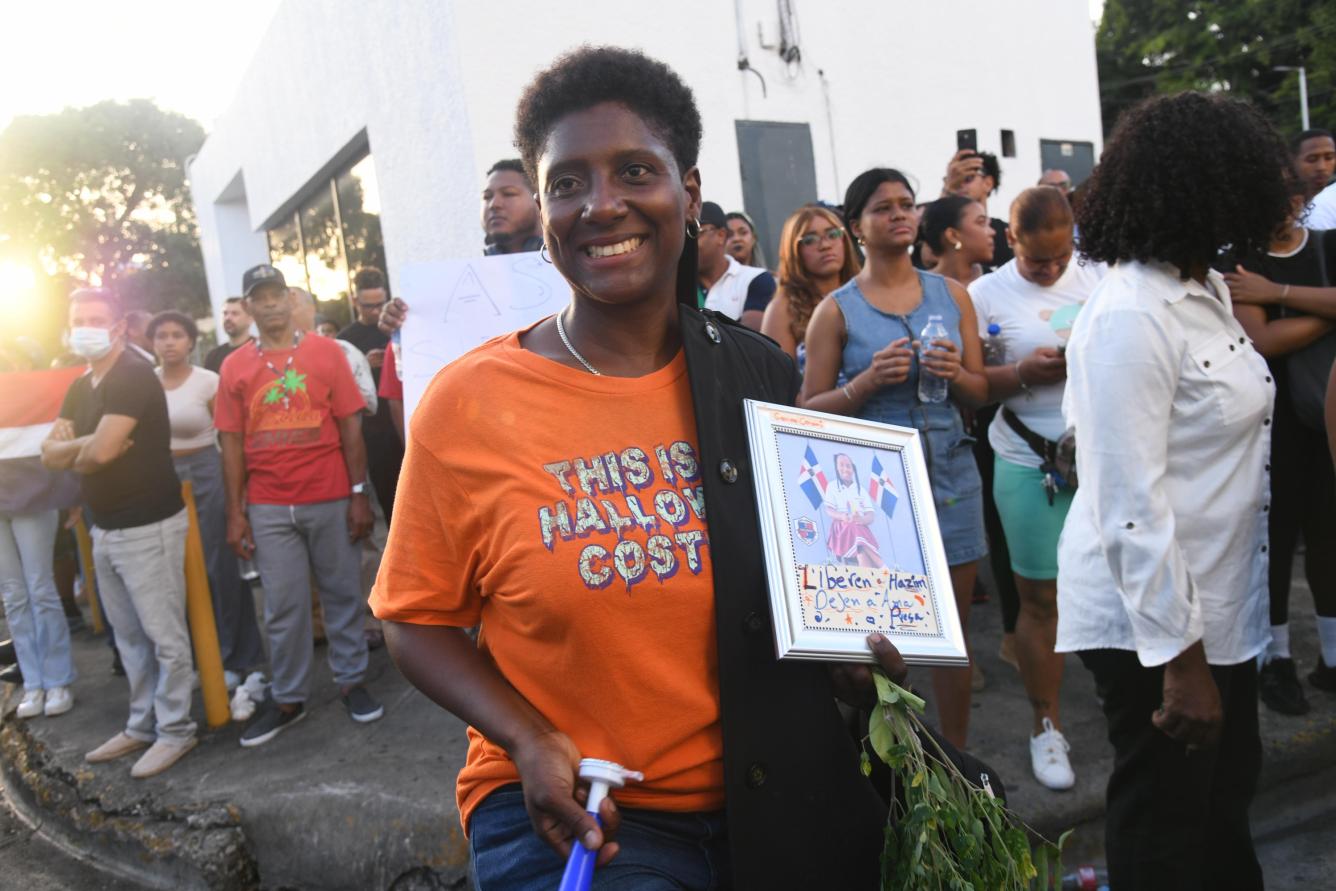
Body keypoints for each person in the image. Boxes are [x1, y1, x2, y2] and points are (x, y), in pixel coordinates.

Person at [370, 46, 911, 889]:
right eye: (566, 182)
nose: (600, 204)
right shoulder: (468, 402)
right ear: (543, 210)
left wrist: (847, 654)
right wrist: (527, 737)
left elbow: (806, 583)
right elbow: (414, 618)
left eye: (633, 171)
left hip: (774, 792)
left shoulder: (758, 377)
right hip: (579, 809)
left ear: (688, 194)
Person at [1057, 91, 1291, 891]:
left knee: (1221, 813)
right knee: (1166, 830)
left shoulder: (1205, 290)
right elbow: (1129, 505)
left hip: (1219, 606)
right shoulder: (1131, 311)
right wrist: (1182, 664)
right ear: (1199, 191)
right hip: (1152, 627)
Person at [802, 167, 990, 749]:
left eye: (907, 204)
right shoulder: (837, 310)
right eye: (883, 207)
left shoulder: (952, 296)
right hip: (875, 498)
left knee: (955, 637)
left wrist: (955, 373)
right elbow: (806, 410)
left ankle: (956, 761)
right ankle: (895, 760)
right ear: (856, 226)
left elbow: (980, 391)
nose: (899, 214)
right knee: (885, 640)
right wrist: (864, 384)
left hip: (952, 476)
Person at [969, 186, 1105, 790]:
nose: (1051, 270)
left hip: (1102, 454)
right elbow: (970, 384)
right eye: (1036, 260)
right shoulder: (984, 294)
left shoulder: (1100, 277)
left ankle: (1127, 699)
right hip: (1026, 455)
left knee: (1119, 585)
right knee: (1040, 597)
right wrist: (1021, 372)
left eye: (1060, 257)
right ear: (1011, 240)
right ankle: (1045, 725)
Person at [216, 264, 383, 748]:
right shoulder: (234, 367)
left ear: (290, 300)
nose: (269, 304)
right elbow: (231, 444)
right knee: (283, 605)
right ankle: (288, 697)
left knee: (342, 594)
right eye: (259, 297)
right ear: (248, 307)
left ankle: (352, 680)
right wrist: (236, 512)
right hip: (268, 504)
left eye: (276, 294)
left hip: (330, 494)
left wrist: (358, 495)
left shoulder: (327, 353)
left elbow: (350, 428)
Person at [41, 288, 196, 779]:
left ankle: (176, 730)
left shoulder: (131, 374)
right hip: (104, 526)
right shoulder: (80, 385)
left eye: (96, 318)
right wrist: (87, 448)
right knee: (129, 638)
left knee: (164, 637)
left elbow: (101, 453)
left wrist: (82, 450)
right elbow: (51, 453)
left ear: (118, 327)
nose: (85, 328)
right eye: (78, 319)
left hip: (148, 524)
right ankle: (142, 724)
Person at [1223, 173, 1336, 712]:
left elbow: (1270, 320)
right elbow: (1261, 339)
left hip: (1325, 416)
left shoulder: (1327, 246)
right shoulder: (1241, 261)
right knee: (1274, 539)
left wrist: (1278, 295)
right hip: (1270, 423)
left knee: (1329, 537)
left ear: (1298, 202)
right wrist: (1328, 311)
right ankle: (1277, 659)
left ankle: (1332, 658)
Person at [149, 310, 264, 690]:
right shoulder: (145, 383)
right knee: (177, 573)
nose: (169, 342)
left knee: (220, 569)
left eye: (177, 335)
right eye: (161, 335)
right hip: (162, 478)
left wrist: (239, 497)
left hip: (207, 475)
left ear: (190, 342)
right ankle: (202, 659)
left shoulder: (208, 381)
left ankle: (241, 657)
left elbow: (231, 437)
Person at [760, 203, 861, 371]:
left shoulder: (866, 292)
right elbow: (778, 380)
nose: (825, 245)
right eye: (810, 240)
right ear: (794, 250)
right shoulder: (782, 308)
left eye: (833, 234)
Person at [337, 268, 403, 524]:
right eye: (368, 306)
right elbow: (340, 388)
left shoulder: (398, 327)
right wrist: (362, 364)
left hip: (404, 422)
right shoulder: (345, 340)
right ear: (355, 301)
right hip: (373, 433)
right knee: (391, 504)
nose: (376, 312)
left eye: (380, 304)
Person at [290, 288, 377, 414]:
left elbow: (370, 403)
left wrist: (334, 391)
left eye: (293, 305)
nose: (285, 312)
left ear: (311, 309)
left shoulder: (344, 350)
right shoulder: (272, 358)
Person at [697, 201, 777, 329]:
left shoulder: (757, 278)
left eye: (697, 232)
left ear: (721, 235)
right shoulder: (678, 285)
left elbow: (750, 336)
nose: (736, 239)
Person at [945, 150, 1013, 272]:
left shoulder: (1006, 233)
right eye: (955, 179)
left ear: (988, 183)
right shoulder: (944, 232)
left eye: (968, 178)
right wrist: (947, 190)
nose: (959, 184)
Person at [920, 195, 995, 288]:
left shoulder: (996, 283)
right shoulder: (919, 288)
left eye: (988, 224)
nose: (992, 232)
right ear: (953, 236)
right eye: (981, 223)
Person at [823, 453, 883, 568]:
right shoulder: (832, 486)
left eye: (848, 466)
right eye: (841, 465)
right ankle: (881, 565)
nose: (845, 469)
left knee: (861, 548)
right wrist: (842, 516)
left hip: (860, 526)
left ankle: (870, 572)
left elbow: (870, 515)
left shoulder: (861, 490)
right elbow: (829, 510)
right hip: (842, 527)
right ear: (836, 468)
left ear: (853, 469)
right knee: (855, 532)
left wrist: (862, 519)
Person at [482, 158, 544, 255]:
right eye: (487, 196)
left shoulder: (567, 262)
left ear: (539, 201)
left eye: (508, 194)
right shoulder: (473, 264)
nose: (493, 204)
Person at [205, 297, 255, 373]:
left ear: (250, 319)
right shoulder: (213, 357)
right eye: (225, 313)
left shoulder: (260, 350)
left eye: (235, 313)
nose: (228, 318)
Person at [1293, 128, 1335, 206]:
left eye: (1329, 158)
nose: (1321, 167)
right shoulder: (1280, 205)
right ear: (1293, 160)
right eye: (1312, 159)